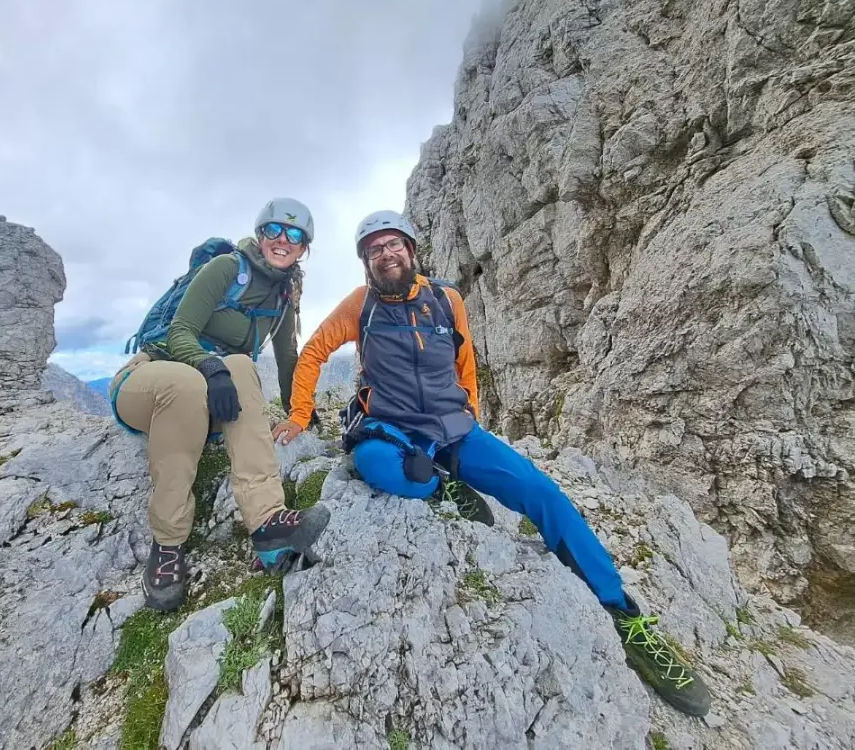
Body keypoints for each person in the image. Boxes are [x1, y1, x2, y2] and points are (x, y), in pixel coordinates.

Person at [272, 209, 712, 718]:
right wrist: (299, 415)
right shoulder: (360, 305)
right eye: (374, 250)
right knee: (376, 464)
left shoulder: (446, 299)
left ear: (411, 251)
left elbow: (465, 360)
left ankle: (623, 614)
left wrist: (472, 414)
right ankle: (443, 489)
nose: (385, 254)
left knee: (541, 493)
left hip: (455, 429)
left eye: (394, 245)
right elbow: (313, 353)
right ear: (366, 263)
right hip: (395, 429)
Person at [110, 198, 330, 612]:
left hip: (211, 396)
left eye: (295, 234)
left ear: (304, 248)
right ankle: (167, 544)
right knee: (188, 383)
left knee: (243, 367)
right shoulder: (227, 268)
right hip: (152, 380)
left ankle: (268, 523)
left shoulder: (283, 296)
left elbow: (287, 357)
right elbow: (180, 331)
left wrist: (300, 411)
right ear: (260, 234)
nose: (283, 239)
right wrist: (209, 366)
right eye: (274, 230)